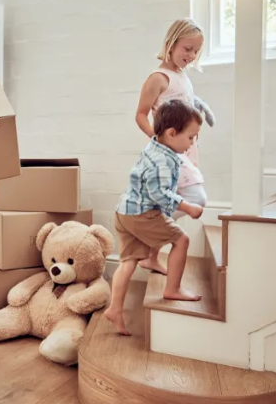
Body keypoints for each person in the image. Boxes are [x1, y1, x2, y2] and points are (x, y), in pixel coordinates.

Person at [105, 100, 205, 336]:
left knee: (128, 261)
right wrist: (187, 206)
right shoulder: (164, 159)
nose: (192, 143)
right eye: (191, 138)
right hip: (142, 214)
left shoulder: (155, 145)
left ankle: (115, 309)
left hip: (125, 210)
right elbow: (158, 193)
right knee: (181, 240)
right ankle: (173, 289)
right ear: (171, 133)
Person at [133, 18, 214, 276]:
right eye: (186, 48)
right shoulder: (158, 78)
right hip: (169, 153)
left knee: (169, 199)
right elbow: (141, 115)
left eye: (195, 51)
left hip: (187, 149)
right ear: (171, 43)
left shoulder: (183, 77)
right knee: (195, 197)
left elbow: (185, 106)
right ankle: (149, 235)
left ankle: (152, 254)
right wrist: (159, 141)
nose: (191, 55)